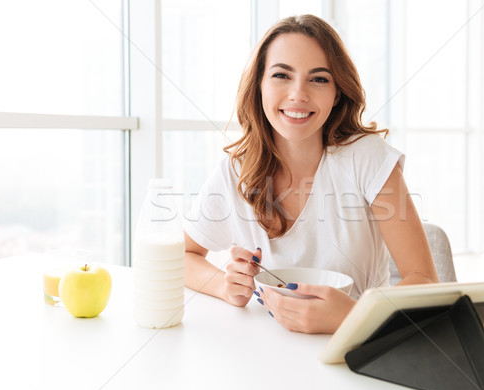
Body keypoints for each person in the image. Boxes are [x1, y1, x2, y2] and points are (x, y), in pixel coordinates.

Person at [183, 14, 438, 334]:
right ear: (259, 85)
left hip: (353, 350)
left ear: (337, 93)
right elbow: (183, 256)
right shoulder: (235, 171)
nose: (298, 95)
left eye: (318, 79)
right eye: (281, 75)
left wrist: (354, 316)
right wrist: (224, 285)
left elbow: (424, 281)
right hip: (260, 355)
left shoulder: (367, 158)